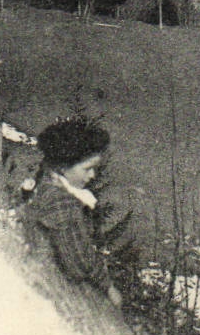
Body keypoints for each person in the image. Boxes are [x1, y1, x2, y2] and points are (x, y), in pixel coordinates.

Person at [21, 118, 123, 312]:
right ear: (63, 166)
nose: (92, 175)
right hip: (49, 283)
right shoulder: (62, 202)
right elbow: (77, 261)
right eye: (87, 168)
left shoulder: (44, 185)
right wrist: (108, 287)